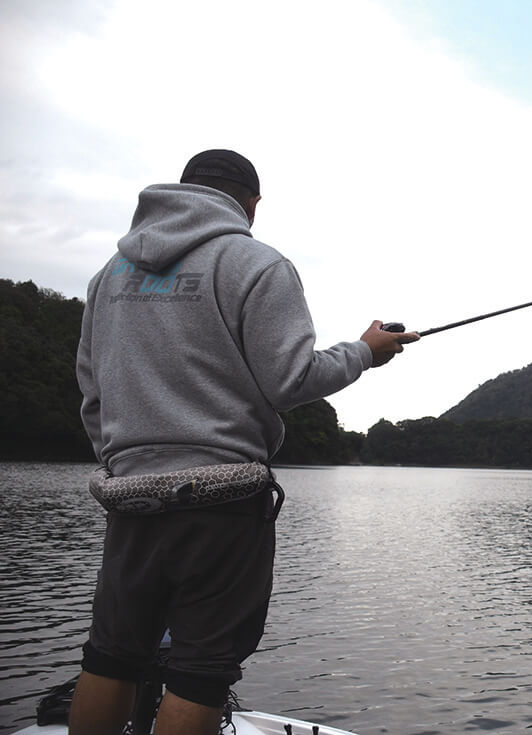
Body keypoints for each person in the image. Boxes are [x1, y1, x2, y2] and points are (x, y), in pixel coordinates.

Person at [69, 149, 419, 735]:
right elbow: (292, 379)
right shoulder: (255, 262)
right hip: (222, 505)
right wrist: (366, 352)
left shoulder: (110, 276)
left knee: (110, 655)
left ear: (180, 192)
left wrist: (123, 462)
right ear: (251, 204)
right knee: (199, 672)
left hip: (129, 496)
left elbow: (91, 388)